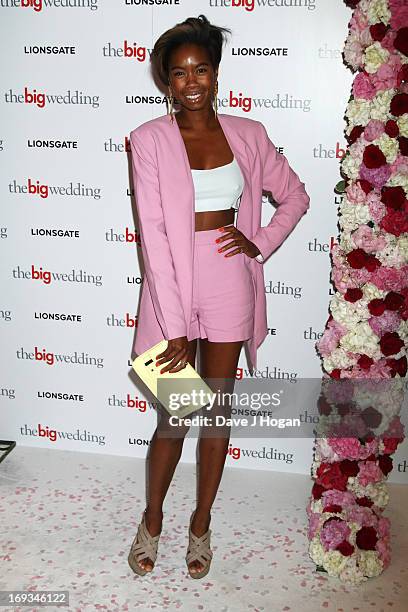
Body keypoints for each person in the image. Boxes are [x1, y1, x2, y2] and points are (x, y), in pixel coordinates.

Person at [128, 14, 310, 579]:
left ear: (215, 72)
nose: (191, 81)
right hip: (172, 286)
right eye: (178, 72)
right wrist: (174, 323)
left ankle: (201, 524)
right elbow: (154, 236)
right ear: (165, 81)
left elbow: (295, 196)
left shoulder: (249, 133)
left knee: (217, 415)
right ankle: (152, 519)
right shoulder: (148, 140)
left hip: (230, 278)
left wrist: (257, 243)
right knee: (174, 416)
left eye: (200, 68)